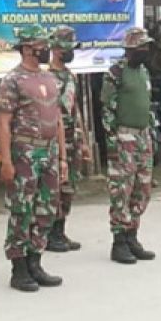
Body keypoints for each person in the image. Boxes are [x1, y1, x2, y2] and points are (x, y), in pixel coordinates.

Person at [0, 25, 67, 288]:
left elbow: (58, 119)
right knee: (21, 209)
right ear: (27, 48)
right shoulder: (12, 80)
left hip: (49, 150)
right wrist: (5, 160)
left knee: (47, 207)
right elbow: (3, 122)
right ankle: (19, 267)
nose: (46, 49)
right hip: (24, 151)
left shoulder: (50, 79)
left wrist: (62, 158)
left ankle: (35, 261)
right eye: (41, 44)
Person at [102, 28, 158, 259]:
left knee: (142, 187)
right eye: (141, 47)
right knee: (121, 189)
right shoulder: (115, 73)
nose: (145, 51)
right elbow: (107, 109)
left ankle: (132, 234)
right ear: (130, 48)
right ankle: (119, 241)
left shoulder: (144, 71)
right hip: (123, 137)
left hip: (143, 135)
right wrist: (113, 141)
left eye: (147, 47)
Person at [48, 26, 91, 252]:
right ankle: (48, 233)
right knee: (53, 186)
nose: (70, 52)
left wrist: (83, 139)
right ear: (55, 49)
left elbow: (76, 110)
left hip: (72, 137)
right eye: (67, 48)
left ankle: (60, 230)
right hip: (54, 139)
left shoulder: (71, 77)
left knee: (69, 186)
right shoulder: (46, 78)